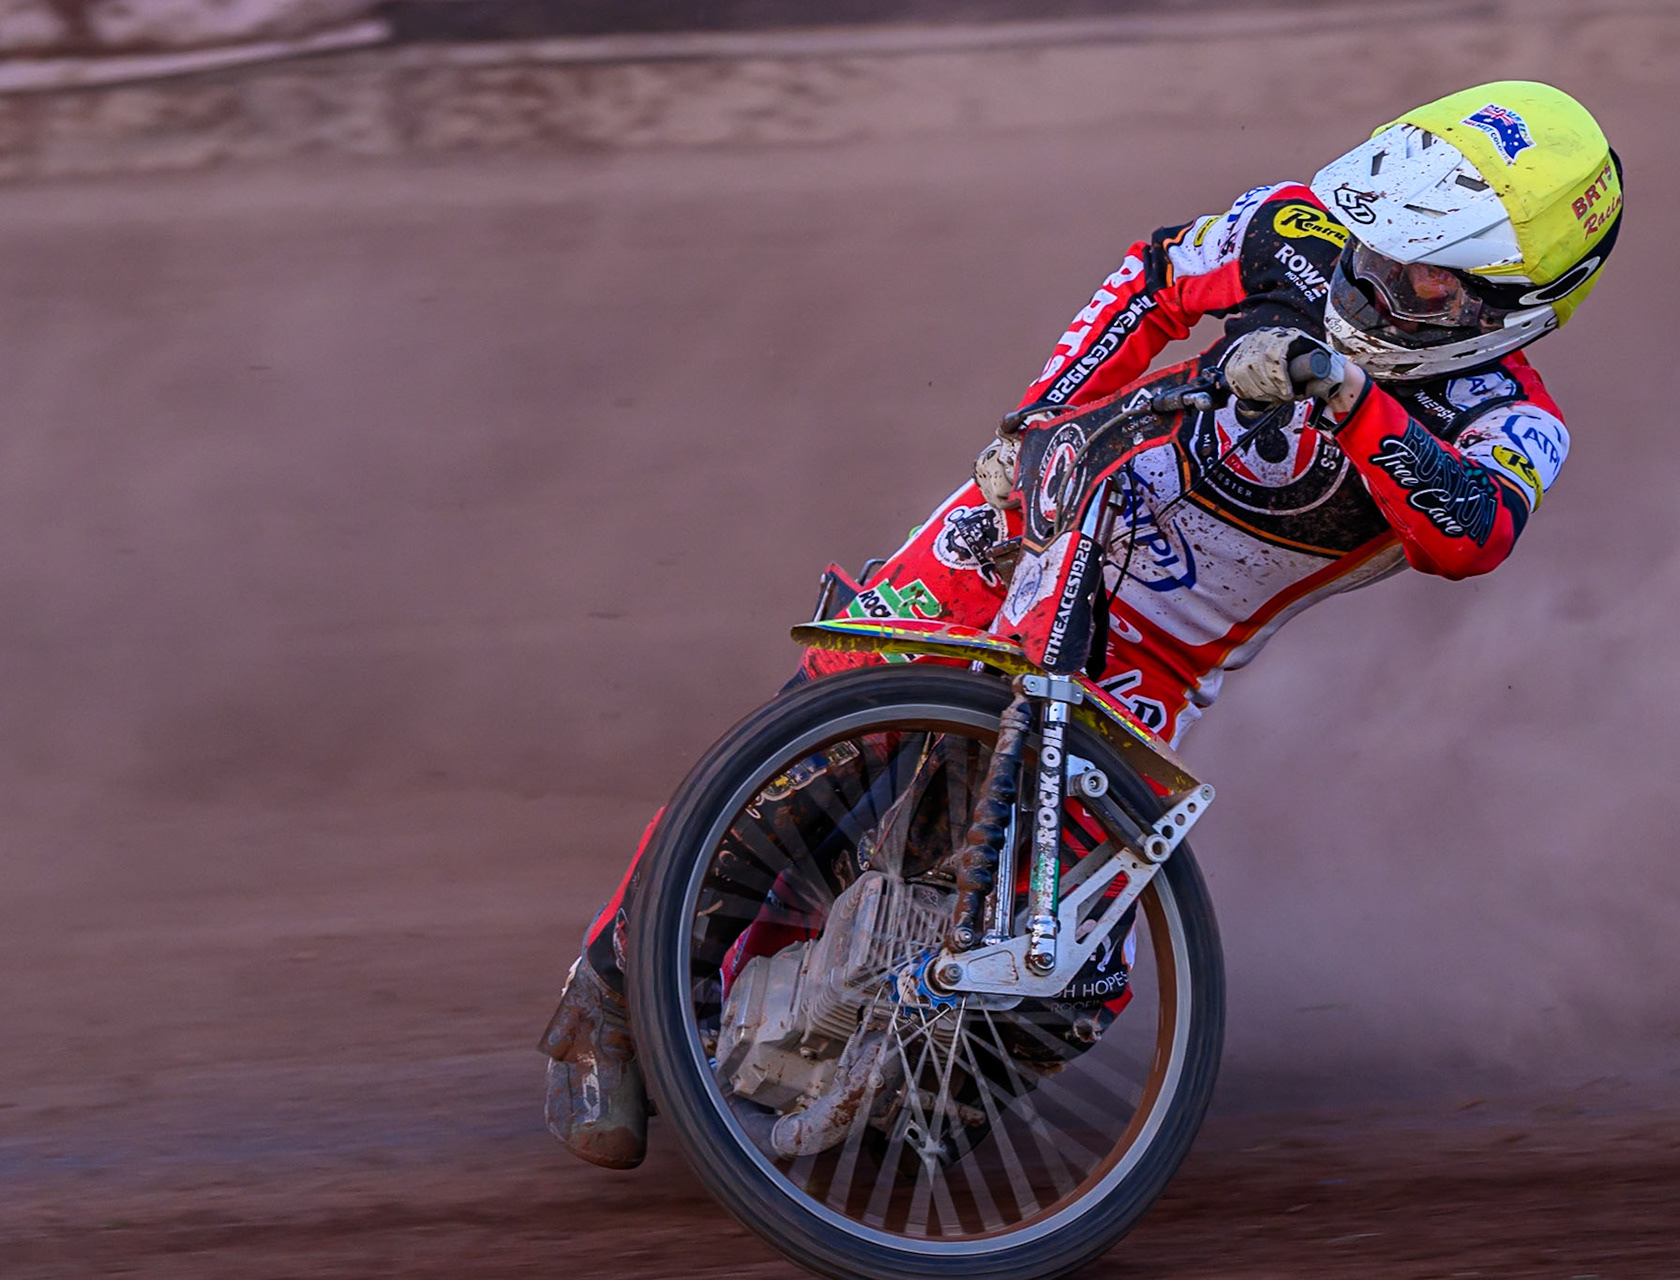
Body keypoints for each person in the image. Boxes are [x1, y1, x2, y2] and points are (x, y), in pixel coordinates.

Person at [539, 80, 1624, 1169]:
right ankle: (617, 999)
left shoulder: (1514, 423)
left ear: (1518, 309)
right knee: (824, 745)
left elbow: (1471, 533)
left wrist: (1347, 395)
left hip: (1149, 661)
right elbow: (1154, 275)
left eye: (1431, 277)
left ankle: (908, 1133)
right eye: (1382, 244)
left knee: (1064, 962)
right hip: (1034, 521)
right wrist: (1040, 420)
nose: (1385, 277)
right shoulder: (1293, 230)